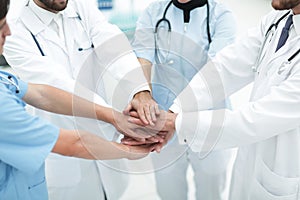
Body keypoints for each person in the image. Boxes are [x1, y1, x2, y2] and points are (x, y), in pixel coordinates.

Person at [126, 0, 300, 199]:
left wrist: (174, 121)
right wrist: (174, 113)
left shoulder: (220, 15)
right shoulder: (277, 20)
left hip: (279, 163)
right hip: (239, 153)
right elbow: (224, 68)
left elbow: (256, 119)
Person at [3, 0, 160, 199]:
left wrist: (140, 91)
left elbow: (112, 44)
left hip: (105, 144)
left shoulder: (80, 6)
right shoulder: (13, 27)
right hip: (64, 152)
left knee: (113, 191)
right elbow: (55, 85)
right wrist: (118, 119)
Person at [130, 0, 237, 199]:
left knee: (210, 190)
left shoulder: (221, 15)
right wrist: (142, 93)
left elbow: (217, 71)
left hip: (208, 122)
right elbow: (142, 56)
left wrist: (175, 118)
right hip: (162, 121)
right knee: (169, 190)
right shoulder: (154, 12)